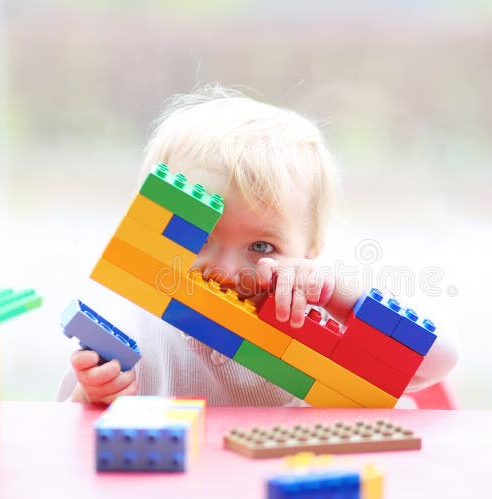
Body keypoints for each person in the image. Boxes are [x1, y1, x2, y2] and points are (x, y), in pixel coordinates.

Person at [58, 85, 460, 406]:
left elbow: (439, 361)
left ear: (309, 252)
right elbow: (65, 437)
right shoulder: (136, 330)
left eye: (262, 247)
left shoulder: (317, 318)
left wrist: (337, 295)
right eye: (199, 238)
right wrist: (91, 397)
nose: (227, 272)